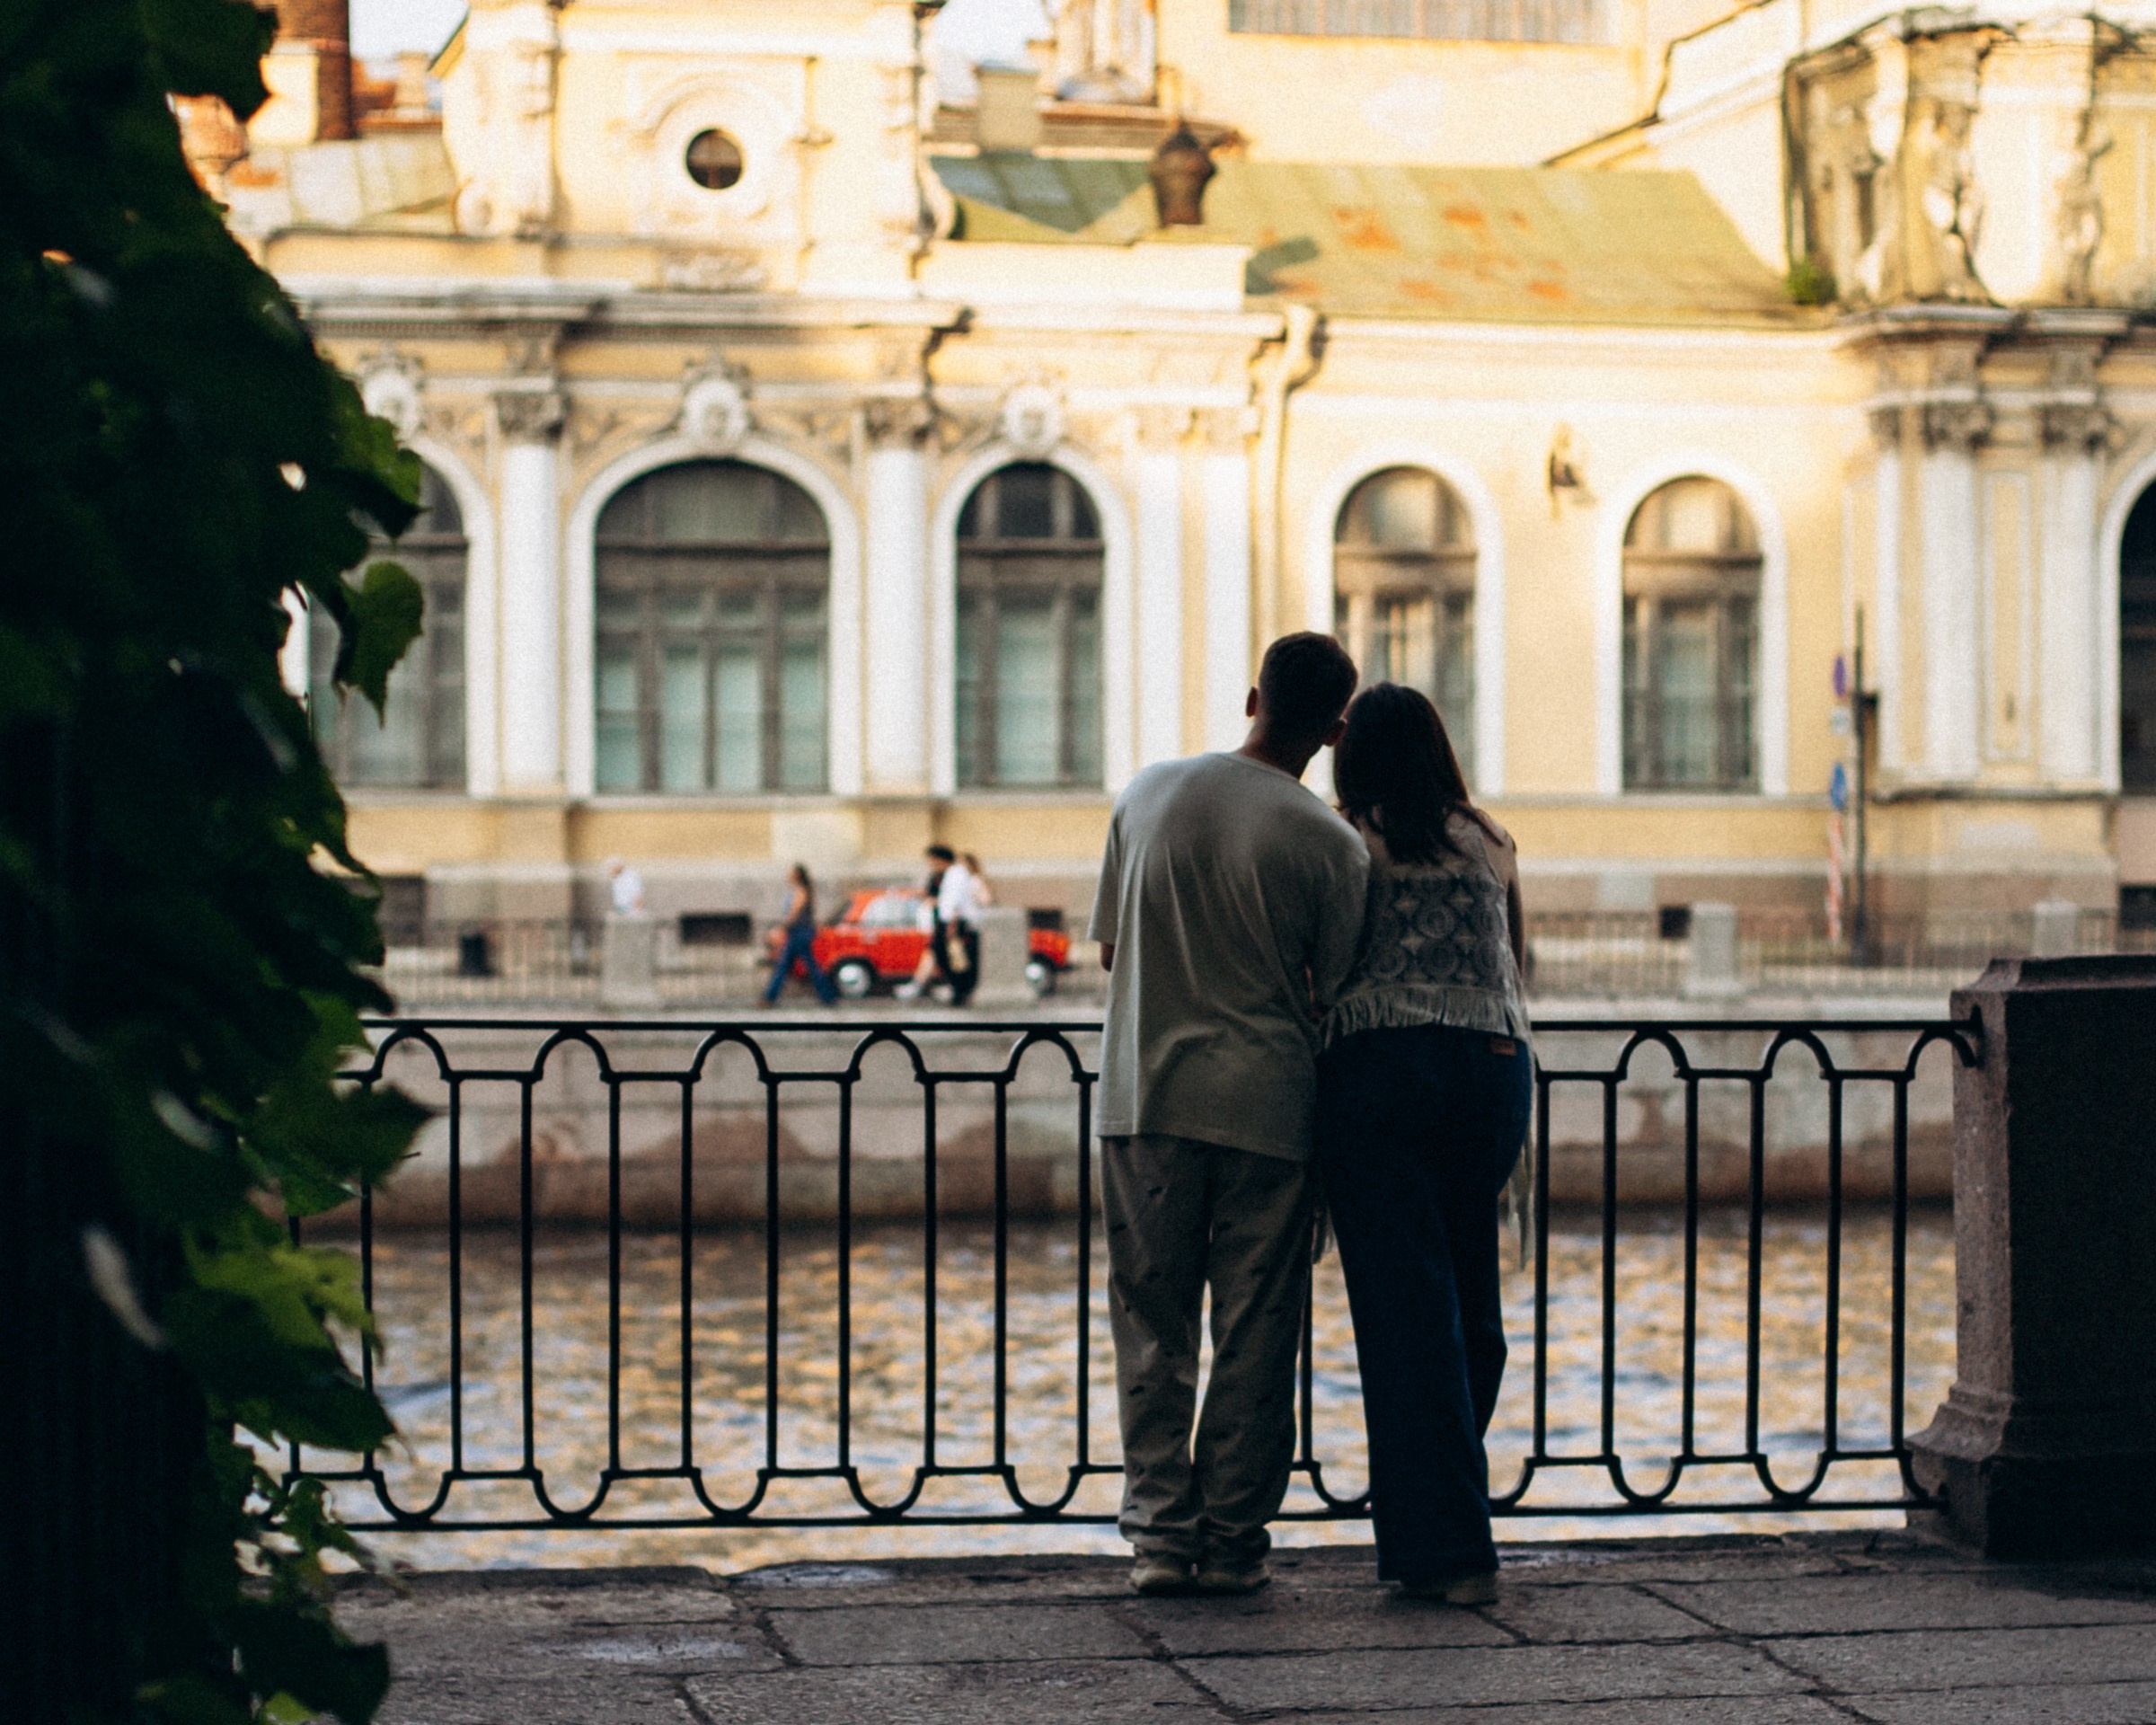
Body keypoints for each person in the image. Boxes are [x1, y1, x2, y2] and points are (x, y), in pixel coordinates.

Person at [1089, 632, 1369, 1598]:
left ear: (1253, 696)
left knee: (1150, 1325)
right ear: (1334, 731)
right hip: (1269, 1109)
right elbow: (1335, 993)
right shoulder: (1331, 844)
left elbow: (1111, 952)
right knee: (1256, 1332)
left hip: (1143, 1098)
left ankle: (1160, 1540)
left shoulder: (1147, 792)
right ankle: (1234, 1538)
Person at [1313, 684, 1533, 1606]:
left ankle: (1451, 1546)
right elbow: (1521, 963)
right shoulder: (1486, 838)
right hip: (1490, 1072)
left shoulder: (1346, 840)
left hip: (1382, 1079)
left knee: (1408, 1320)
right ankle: (1432, 1525)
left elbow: (1321, 970)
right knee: (1467, 1310)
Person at [762, 863, 836, 1006]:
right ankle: (828, 996)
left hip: (800, 932)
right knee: (797, 965)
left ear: (797, 875)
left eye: (791, 872)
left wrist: (782, 928)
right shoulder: (797, 890)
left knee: (789, 966)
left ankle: (769, 997)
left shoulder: (801, 891)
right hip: (797, 932)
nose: (788, 875)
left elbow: (794, 913)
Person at [896, 845, 958, 1002]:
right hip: (939, 921)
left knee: (941, 953)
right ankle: (940, 985)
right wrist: (911, 894)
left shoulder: (953, 874)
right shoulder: (936, 875)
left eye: (931, 859)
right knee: (936, 952)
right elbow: (929, 891)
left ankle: (926, 985)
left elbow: (953, 899)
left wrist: (934, 901)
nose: (929, 862)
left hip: (951, 922)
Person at [937, 849, 985, 1006]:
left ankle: (960, 990)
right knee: (955, 957)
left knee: (955, 957)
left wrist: (952, 925)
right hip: (957, 922)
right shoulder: (958, 874)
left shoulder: (956, 874)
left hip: (956, 922)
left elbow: (955, 901)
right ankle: (960, 990)